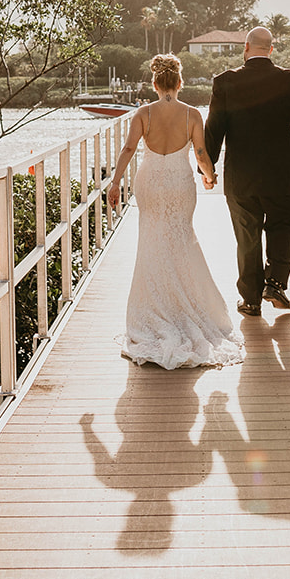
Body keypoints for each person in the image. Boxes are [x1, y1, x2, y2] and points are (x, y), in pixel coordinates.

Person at [105, 53, 244, 368]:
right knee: (181, 237)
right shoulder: (192, 113)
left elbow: (128, 149)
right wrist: (210, 177)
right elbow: (200, 152)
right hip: (180, 182)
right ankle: (184, 309)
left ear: (155, 83)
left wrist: (115, 183)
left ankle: (155, 310)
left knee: (152, 239)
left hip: (150, 181)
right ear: (179, 83)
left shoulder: (143, 113)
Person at [204, 26, 290, 318]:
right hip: (280, 174)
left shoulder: (225, 82)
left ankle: (250, 299)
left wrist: (207, 167)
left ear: (246, 47)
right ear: (271, 49)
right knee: (282, 224)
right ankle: (276, 283)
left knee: (247, 235)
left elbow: (214, 129)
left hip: (240, 176)